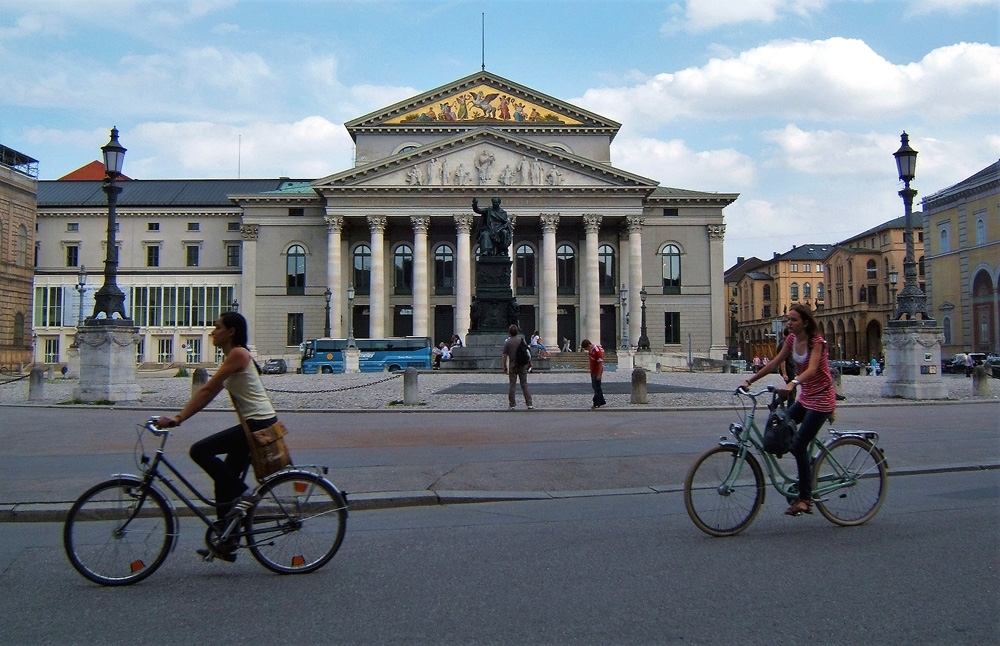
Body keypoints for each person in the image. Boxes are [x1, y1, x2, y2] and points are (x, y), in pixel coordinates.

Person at [156, 311, 278, 561]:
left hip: (258, 425)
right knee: (223, 481)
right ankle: (227, 540)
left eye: (217, 327)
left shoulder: (238, 354)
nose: (212, 332)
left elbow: (209, 390)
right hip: (254, 424)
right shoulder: (235, 355)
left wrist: (178, 419)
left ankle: (245, 495)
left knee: (199, 451)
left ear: (231, 331)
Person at [742, 304, 836, 517]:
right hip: (806, 397)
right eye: (787, 320)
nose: (789, 323)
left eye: (793, 320)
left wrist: (793, 383)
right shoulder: (791, 340)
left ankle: (805, 499)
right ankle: (808, 468)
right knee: (780, 425)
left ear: (805, 322)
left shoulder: (816, 342)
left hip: (822, 398)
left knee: (799, 444)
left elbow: (812, 369)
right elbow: (774, 362)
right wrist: (749, 380)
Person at [502, 324, 533, 410]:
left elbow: (504, 356)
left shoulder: (507, 342)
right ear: (517, 332)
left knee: (512, 385)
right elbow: (527, 352)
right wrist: (530, 362)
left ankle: (512, 404)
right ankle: (529, 404)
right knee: (524, 384)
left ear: (509, 332)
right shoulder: (521, 340)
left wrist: (505, 366)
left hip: (513, 365)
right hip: (522, 365)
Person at [580, 339, 606, 410]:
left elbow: (600, 364)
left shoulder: (597, 351)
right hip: (593, 371)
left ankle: (596, 403)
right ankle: (602, 401)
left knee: (596, 388)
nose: (587, 350)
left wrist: (599, 374)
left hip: (597, 372)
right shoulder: (591, 350)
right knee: (596, 387)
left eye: (586, 348)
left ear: (589, 345)